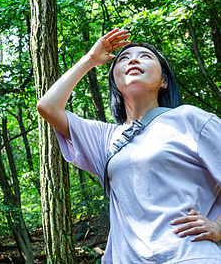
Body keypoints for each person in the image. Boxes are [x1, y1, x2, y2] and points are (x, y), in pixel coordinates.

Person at [37, 28, 221, 263]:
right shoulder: (105, 138)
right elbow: (48, 107)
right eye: (123, 58)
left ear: (164, 81)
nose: (133, 59)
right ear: (115, 81)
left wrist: (217, 225)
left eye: (145, 56)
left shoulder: (190, 119)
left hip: (189, 256)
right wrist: (91, 60)